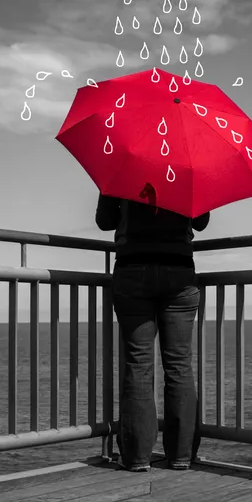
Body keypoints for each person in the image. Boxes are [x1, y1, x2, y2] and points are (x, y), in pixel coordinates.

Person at [96, 188, 209, 471]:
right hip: (179, 272)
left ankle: (135, 457)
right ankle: (181, 455)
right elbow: (201, 221)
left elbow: (104, 220)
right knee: (180, 366)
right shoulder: (188, 163)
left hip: (133, 270)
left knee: (138, 364)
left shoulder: (123, 163)